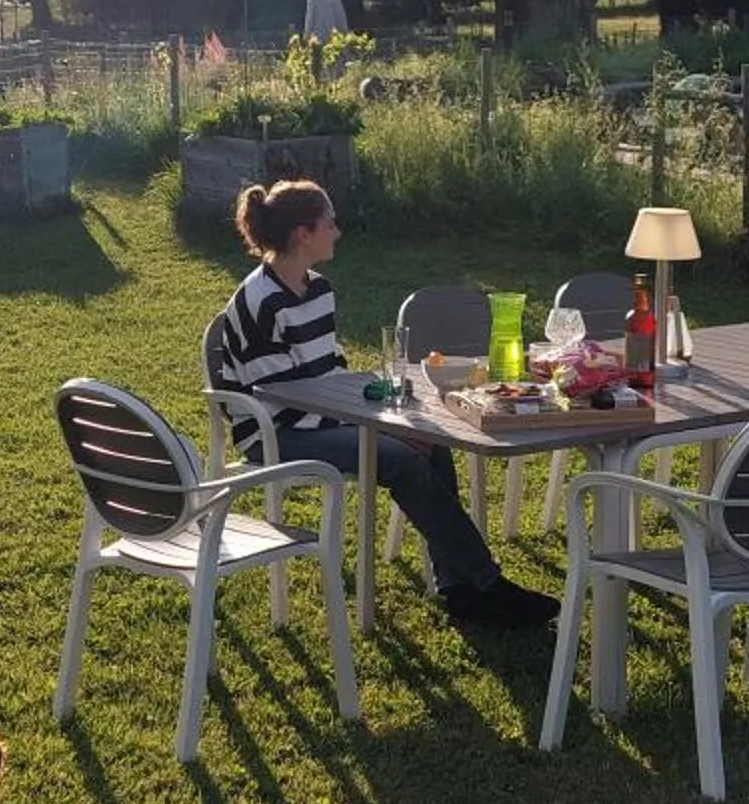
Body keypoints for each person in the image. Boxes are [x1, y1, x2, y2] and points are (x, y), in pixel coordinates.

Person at [215, 179, 559, 630]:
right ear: (303, 234)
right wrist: (377, 429)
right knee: (400, 458)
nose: (337, 232)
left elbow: (330, 371)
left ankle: (458, 588)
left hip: (319, 417)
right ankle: (487, 583)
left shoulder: (317, 289)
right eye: (330, 223)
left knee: (429, 441)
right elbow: (278, 396)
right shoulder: (259, 301)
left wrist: (386, 414)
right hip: (274, 432)